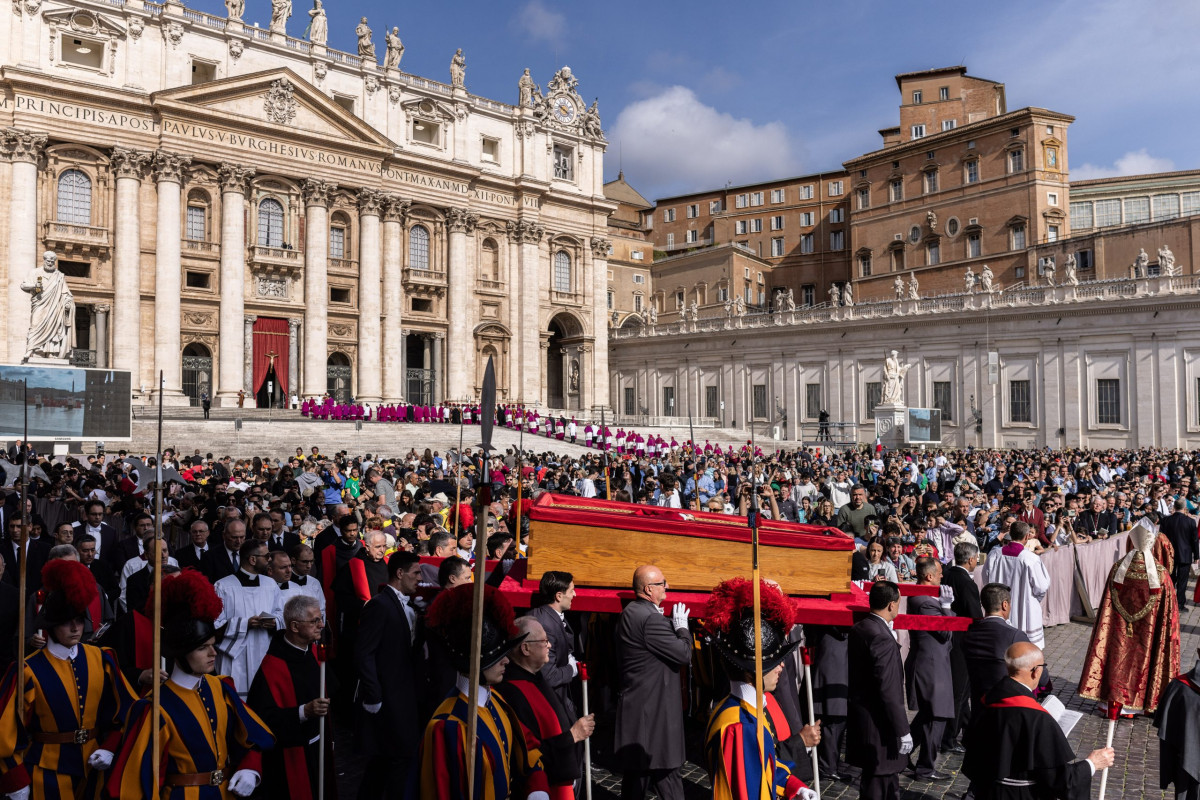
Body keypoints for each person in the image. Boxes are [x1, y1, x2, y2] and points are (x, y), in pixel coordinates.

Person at [107, 569, 275, 799]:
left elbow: (253, 737)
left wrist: (250, 769)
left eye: (212, 644)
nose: (213, 653)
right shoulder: (152, 708)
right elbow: (137, 784)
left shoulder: (221, 687)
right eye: (201, 648)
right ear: (180, 653)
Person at [0, 560, 136, 800]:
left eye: (79, 620)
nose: (75, 627)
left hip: (95, 770)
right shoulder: (27, 670)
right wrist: (16, 781)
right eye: (66, 622)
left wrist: (110, 746)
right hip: (45, 774)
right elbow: (5, 732)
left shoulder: (101, 659)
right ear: (51, 626)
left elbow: (126, 710)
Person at [417, 583, 548, 799]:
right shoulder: (446, 726)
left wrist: (537, 789)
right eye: (496, 658)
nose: (506, 660)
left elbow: (528, 750)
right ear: (474, 663)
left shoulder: (496, 700)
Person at [702, 578, 818, 800]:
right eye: (774, 663)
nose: (781, 666)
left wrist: (795, 787)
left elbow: (768, 765)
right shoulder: (740, 727)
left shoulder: (745, 710)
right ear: (752, 670)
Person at [963, 641, 1114, 799]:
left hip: (985, 792)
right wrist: (1092, 763)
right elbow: (1059, 781)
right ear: (1035, 671)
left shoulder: (989, 699)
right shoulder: (1038, 718)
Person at [1078, 517, 1180, 714]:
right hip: (1147, 634)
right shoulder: (1161, 575)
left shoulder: (1118, 569)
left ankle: (1111, 699)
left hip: (1118, 628)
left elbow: (1107, 605)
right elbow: (1169, 615)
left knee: (1117, 654)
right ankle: (1142, 701)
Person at [614, 565, 692, 800]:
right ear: (648, 589)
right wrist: (682, 629)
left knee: (636, 782)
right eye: (662, 583)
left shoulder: (630, 612)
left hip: (638, 715)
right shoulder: (651, 620)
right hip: (655, 718)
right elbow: (684, 654)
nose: (667, 587)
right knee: (667, 779)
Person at [495, 617, 594, 800]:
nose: (549, 645)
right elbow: (527, 752)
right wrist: (572, 735)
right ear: (525, 648)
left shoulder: (536, 677)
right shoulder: (512, 691)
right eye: (544, 641)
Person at [246, 595, 330, 800]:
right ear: (294, 626)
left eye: (321, 619)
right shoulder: (273, 666)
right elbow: (262, 719)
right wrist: (304, 712)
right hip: (289, 759)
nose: (321, 625)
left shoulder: (310, 651)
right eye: (314, 621)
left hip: (317, 747)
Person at [355, 551, 423, 799]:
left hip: (403, 695)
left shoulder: (409, 606)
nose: (420, 578)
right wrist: (374, 695)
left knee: (385, 761)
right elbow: (364, 653)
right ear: (400, 573)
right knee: (396, 760)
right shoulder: (379, 605)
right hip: (387, 697)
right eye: (416, 573)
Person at [847, 580, 911, 800]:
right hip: (880, 725)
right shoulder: (882, 637)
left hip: (864, 717)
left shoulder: (861, 627)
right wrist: (903, 730)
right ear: (892, 605)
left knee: (886, 783)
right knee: (878, 785)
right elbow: (890, 690)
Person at [904, 557, 955, 781]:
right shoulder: (926, 602)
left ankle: (901, 756)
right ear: (929, 576)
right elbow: (945, 632)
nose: (942, 576)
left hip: (931, 662)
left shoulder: (922, 597)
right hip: (930, 665)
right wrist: (946, 607)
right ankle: (925, 768)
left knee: (928, 715)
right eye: (940, 573)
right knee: (938, 715)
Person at [213, 540, 284, 695]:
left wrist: (274, 622)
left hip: (263, 652)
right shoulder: (223, 586)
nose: (269, 560)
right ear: (252, 560)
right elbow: (214, 625)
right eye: (266, 556)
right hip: (235, 657)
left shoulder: (270, 584)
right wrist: (245, 624)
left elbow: (280, 613)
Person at [962, 583, 1044, 708]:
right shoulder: (1013, 635)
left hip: (979, 706)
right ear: (1004, 605)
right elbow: (1039, 671)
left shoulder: (969, 632)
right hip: (1007, 706)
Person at [942, 541, 983, 751]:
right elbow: (975, 615)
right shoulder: (967, 582)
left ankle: (966, 727)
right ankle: (948, 738)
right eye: (976, 558)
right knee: (959, 690)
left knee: (963, 690)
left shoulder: (947, 574)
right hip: (962, 640)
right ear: (970, 559)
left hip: (949, 638)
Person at [982, 521, 1049, 646]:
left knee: (1002, 646)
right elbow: (1041, 586)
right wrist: (1032, 600)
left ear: (1010, 534)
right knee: (1025, 649)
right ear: (1027, 536)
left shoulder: (994, 554)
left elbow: (986, 580)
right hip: (1025, 607)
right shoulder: (1031, 558)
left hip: (999, 607)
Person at [524, 571, 579, 719]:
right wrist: (572, 669)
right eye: (572, 590)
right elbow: (549, 676)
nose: (575, 595)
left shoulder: (548, 616)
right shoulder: (545, 625)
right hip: (550, 703)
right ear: (559, 596)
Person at [1154, 646, 1200, 800]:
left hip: (1187, 774)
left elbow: (1168, 739)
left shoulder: (1178, 688)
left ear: (1199, 652)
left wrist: (1168, 772)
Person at [1160, 499, 1197, 610]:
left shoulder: (1166, 520)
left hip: (1170, 554)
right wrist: (1197, 556)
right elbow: (1194, 540)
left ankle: (1168, 602)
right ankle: (1180, 604)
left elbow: (1162, 538)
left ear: (1174, 507)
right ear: (1185, 508)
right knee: (1183, 580)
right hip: (1185, 554)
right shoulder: (1190, 521)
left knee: (1170, 579)